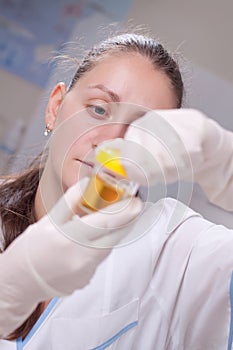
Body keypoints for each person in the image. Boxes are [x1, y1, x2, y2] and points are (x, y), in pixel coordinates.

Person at [0, 32, 233, 350]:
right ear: (55, 108)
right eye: (98, 109)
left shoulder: (176, 248)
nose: (110, 141)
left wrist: (226, 168)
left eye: (141, 130)